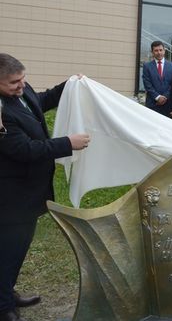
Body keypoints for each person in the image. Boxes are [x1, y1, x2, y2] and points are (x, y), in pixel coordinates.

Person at [0, 53, 90, 321]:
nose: (21, 85)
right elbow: (23, 149)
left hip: (28, 192)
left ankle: (6, 292)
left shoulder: (20, 91)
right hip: (11, 196)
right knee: (8, 249)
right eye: (14, 82)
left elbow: (39, 102)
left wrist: (68, 85)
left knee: (17, 247)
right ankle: (3, 307)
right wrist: (67, 143)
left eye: (23, 78)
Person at [142, 41, 172, 117]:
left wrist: (165, 97)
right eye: (156, 50)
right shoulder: (147, 66)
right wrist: (157, 97)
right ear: (152, 52)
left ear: (164, 51)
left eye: (161, 50)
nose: (159, 52)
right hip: (152, 104)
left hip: (167, 105)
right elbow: (147, 84)